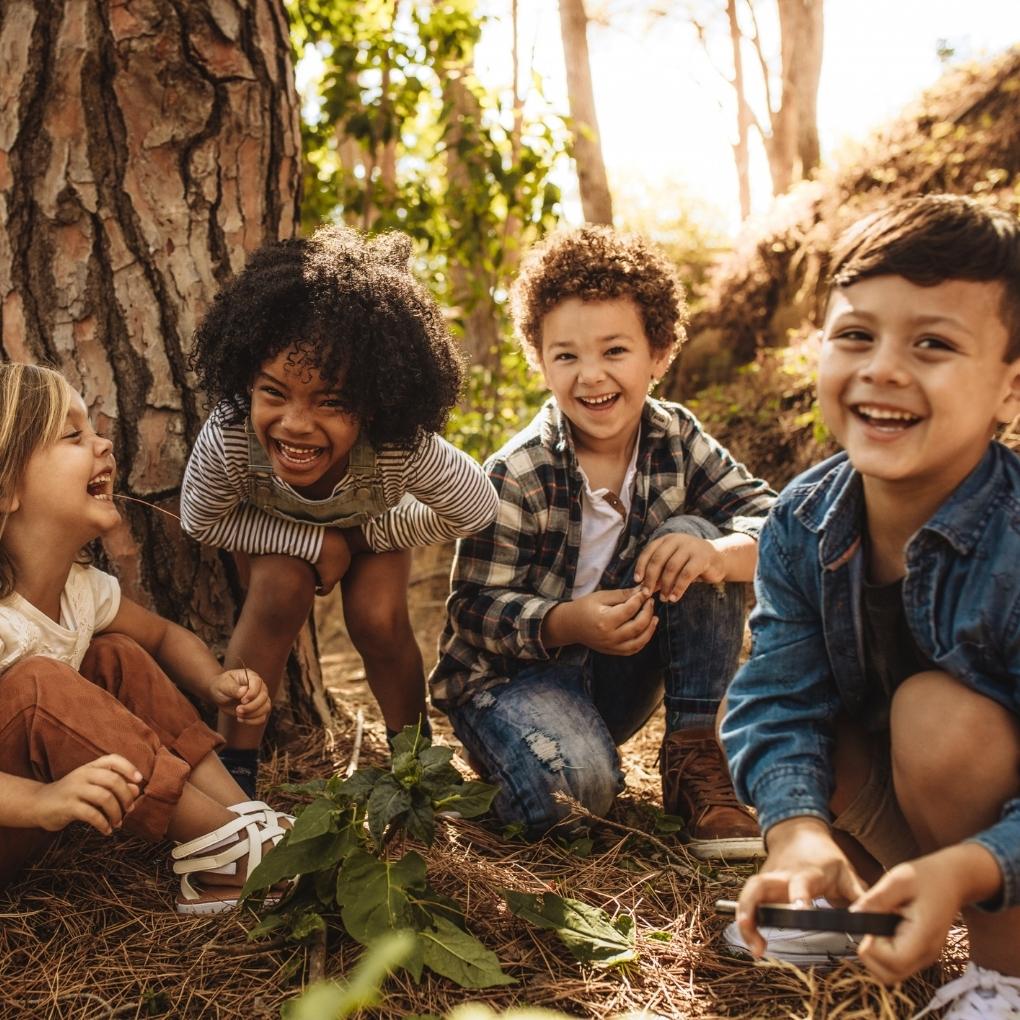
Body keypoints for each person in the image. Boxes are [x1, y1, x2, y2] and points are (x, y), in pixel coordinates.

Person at [721, 194, 1020, 1017]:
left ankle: (1004, 975)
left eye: (933, 344)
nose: (883, 368)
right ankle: (849, 896)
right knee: (813, 728)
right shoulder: (802, 520)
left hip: (993, 819)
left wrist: (969, 868)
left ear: (1010, 388)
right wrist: (796, 833)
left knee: (939, 717)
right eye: (857, 335)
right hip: (917, 805)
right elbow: (777, 696)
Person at [430, 226, 776, 856]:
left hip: (618, 675)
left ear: (660, 353)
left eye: (615, 350)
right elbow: (472, 609)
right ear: (540, 362)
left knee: (695, 538)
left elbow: (779, 523)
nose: (591, 377)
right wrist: (566, 623)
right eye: (566, 356)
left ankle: (695, 756)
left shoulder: (677, 437)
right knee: (577, 795)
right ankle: (540, 765)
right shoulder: (518, 472)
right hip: (510, 685)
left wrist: (720, 555)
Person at [181, 224, 499, 796]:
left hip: (372, 528)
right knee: (278, 590)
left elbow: (474, 507)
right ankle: (235, 780)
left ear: (375, 405)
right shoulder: (230, 434)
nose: (296, 423)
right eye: (273, 392)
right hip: (275, 535)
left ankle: (415, 766)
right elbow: (201, 519)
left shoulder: (400, 446)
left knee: (377, 618)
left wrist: (369, 535)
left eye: (332, 402)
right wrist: (313, 543)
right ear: (246, 380)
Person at [0, 363, 289, 913]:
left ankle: (241, 822)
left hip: (30, 828)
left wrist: (215, 681)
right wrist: (41, 799)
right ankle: (243, 851)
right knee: (41, 684)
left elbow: (161, 637)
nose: (104, 444)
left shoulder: (82, 591)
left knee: (117, 654)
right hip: (16, 815)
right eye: (73, 435)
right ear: (7, 486)